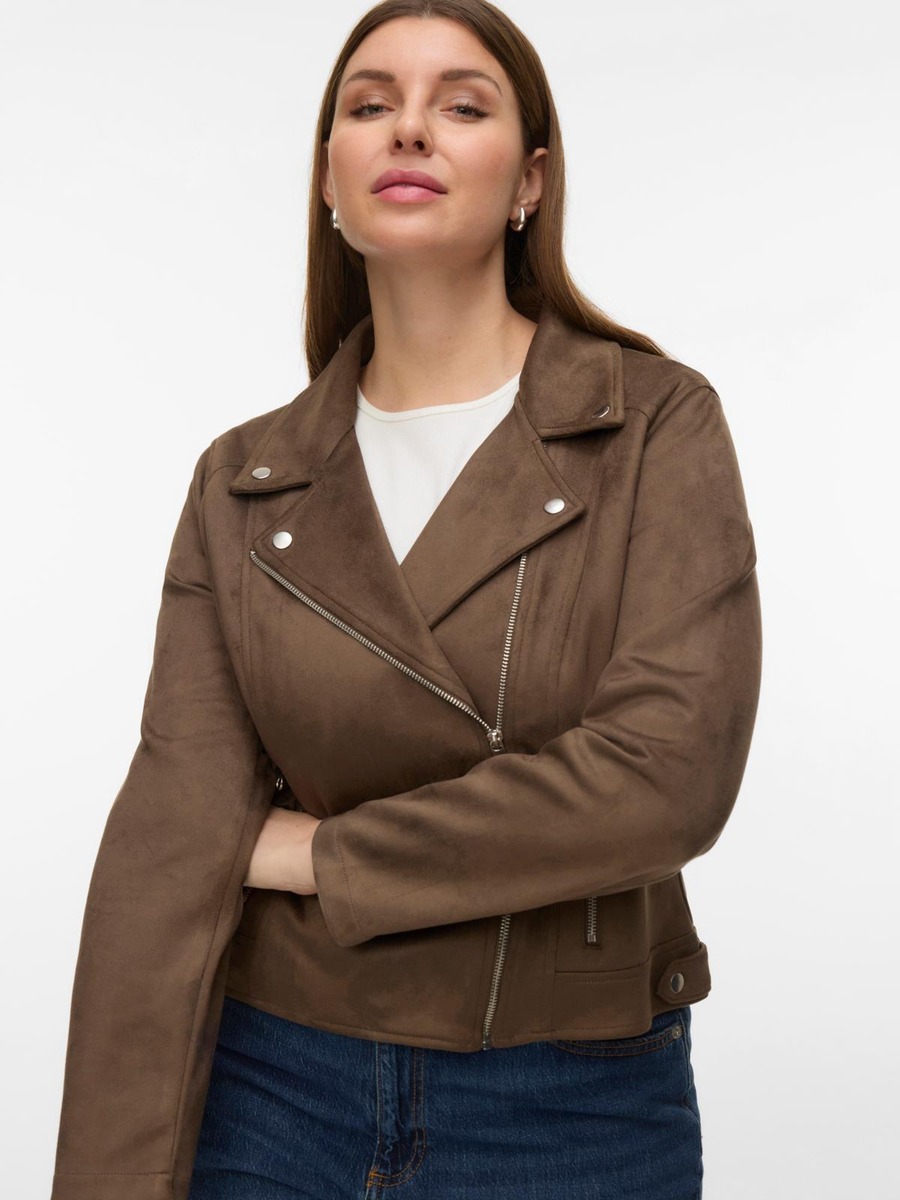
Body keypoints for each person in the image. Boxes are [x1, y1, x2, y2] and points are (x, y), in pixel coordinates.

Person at [50, 2, 762, 1198]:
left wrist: (325, 854)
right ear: (329, 178)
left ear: (529, 180)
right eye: (370, 104)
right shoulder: (244, 480)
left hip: (567, 1097)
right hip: (273, 1084)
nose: (410, 129)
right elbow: (174, 841)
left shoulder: (651, 425)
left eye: (462, 105)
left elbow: (665, 776)